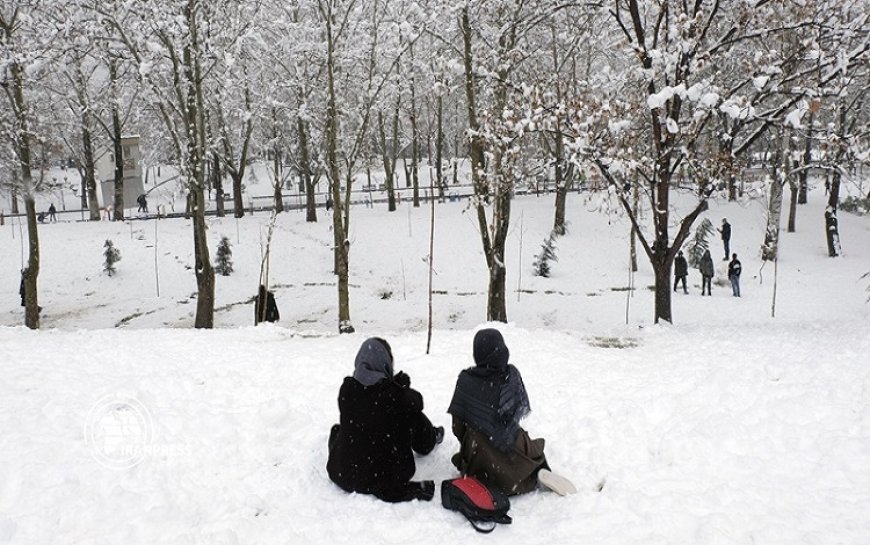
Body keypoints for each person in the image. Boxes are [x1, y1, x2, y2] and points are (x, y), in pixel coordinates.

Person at [447, 328, 576, 496]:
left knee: (479, 450)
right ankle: (525, 471)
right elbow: (514, 415)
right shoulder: (511, 375)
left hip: (478, 455)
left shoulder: (466, 379)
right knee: (530, 449)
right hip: (511, 444)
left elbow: (458, 427)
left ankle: (492, 472)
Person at [327, 337, 443, 503]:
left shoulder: (347, 389)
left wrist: (394, 387)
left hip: (345, 473)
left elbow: (371, 404)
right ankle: (430, 439)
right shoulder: (393, 396)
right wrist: (400, 389)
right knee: (413, 415)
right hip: (384, 476)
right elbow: (417, 402)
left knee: (344, 428)